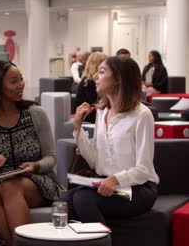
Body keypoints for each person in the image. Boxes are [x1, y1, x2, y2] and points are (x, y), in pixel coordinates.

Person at [0, 60, 64, 246]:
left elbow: (51, 157)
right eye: (14, 81)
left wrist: (36, 165)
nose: (21, 84)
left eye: (21, 79)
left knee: (10, 187)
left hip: (39, 182)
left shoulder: (36, 114)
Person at [59, 56, 159, 225]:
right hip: (106, 184)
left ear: (119, 79)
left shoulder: (142, 114)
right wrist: (78, 128)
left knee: (83, 199)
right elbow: (95, 162)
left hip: (137, 189)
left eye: (102, 72)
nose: (95, 76)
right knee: (64, 200)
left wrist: (115, 179)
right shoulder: (102, 112)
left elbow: (144, 170)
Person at [75, 52, 108, 123]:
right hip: (88, 116)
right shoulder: (89, 82)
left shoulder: (88, 80)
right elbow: (94, 105)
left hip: (92, 113)